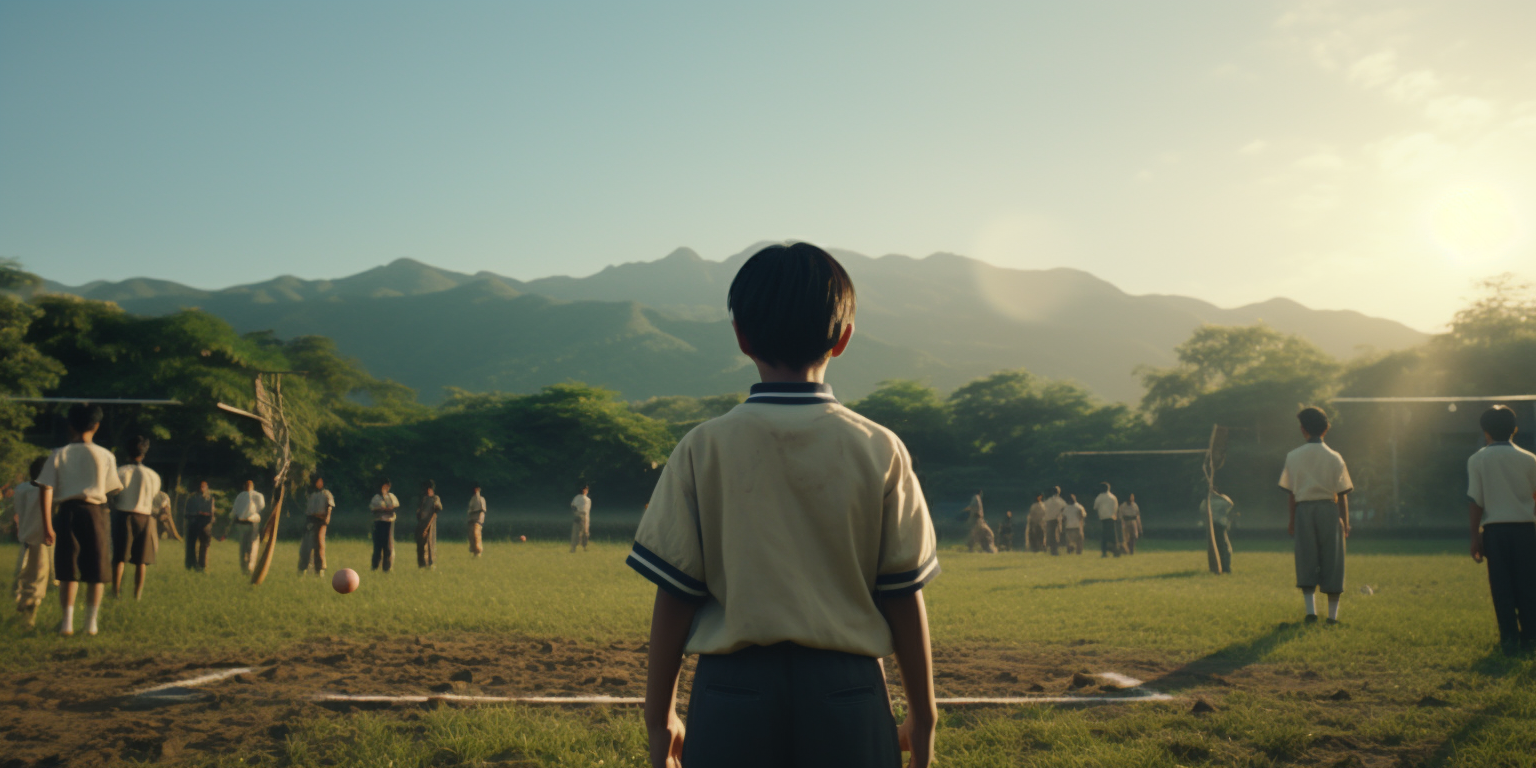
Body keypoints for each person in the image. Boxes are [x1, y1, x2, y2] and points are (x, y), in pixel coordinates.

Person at [627, 242, 938, 768]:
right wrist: (924, 717)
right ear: (843, 339)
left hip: (731, 695)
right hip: (851, 694)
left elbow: (676, 595)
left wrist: (660, 719)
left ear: (741, 337)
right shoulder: (879, 447)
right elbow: (902, 596)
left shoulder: (703, 446)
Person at [37, 403, 122, 636]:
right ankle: (91, 624)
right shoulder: (105, 455)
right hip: (96, 512)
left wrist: (47, 524)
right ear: (96, 425)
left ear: (70, 425)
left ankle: (67, 623)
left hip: (66, 513)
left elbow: (45, 489)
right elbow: (112, 488)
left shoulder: (58, 454)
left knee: (68, 568)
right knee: (97, 568)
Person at [1466, 405, 1536, 656]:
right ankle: (1531, 637)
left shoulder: (1477, 460)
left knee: (1502, 586)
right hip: (1527, 531)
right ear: (1515, 429)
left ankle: (1508, 638)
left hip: (1495, 532)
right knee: (1528, 585)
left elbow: (1476, 501)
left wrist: (1475, 537)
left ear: (1485, 432)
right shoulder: (1530, 459)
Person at [1280, 406, 1353, 625]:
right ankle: (1332, 616)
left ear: (1303, 430)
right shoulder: (1335, 457)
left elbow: (1292, 493)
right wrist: (1345, 522)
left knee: (1306, 558)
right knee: (1333, 560)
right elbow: (1343, 493)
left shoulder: (1293, 456)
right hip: (1329, 509)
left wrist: (1292, 520)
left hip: (1303, 510)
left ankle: (1311, 612)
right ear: (1327, 428)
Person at [110, 436, 161, 600]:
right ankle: (137, 595)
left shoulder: (121, 471)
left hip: (124, 515)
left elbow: (114, 493)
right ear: (144, 453)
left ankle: (115, 592)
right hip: (145, 517)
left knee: (119, 558)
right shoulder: (153, 475)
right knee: (141, 560)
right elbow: (153, 496)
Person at [13, 457, 55, 629]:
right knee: (37, 579)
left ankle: (23, 608)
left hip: (25, 538)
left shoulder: (21, 489)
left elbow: (18, 512)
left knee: (27, 576)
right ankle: (28, 619)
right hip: (42, 540)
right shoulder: (48, 490)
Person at [227, 480, 265, 575]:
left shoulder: (255, 495)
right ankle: (246, 568)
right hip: (245, 523)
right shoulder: (241, 496)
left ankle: (248, 568)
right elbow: (235, 511)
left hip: (250, 523)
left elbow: (235, 511)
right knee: (246, 547)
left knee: (250, 546)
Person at [299, 476, 333, 577]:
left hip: (320, 521)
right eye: (318, 481)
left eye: (321, 481)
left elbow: (330, 506)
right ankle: (303, 568)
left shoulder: (326, 494)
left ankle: (320, 569)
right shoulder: (312, 494)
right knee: (306, 544)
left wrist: (327, 517)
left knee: (319, 544)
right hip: (310, 520)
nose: (319, 483)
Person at [183, 480, 216, 572]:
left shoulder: (210, 499)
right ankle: (190, 565)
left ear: (207, 488)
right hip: (193, 523)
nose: (201, 488)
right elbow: (187, 513)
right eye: (200, 486)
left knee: (204, 546)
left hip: (205, 525)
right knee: (191, 546)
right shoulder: (191, 498)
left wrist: (206, 517)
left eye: (204, 486)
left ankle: (202, 566)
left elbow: (211, 514)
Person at [1202, 489, 1235, 574]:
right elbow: (1230, 504)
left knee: (1218, 546)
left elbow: (1202, 509)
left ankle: (1219, 567)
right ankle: (1225, 568)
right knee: (1224, 547)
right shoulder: (1221, 500)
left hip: (1211, 526)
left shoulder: (1206, 501)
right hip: (1218, 525)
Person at [369, 479, 399, 572]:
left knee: (388, 546)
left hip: (389, 523)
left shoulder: (391, 496)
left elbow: (395, 506)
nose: (385, 488)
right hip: (379, 522)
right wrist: (382, 509)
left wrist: (387, 508)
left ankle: (387, 568)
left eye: (387, 487)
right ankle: (375, 567)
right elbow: (373, 508)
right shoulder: (376, 497)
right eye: (384, 486)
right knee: (377, 546)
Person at [415, 479, 442, 569]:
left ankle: (430, 564)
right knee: (421, 545)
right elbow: (419, 513)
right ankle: (421, 564)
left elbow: (438, 508)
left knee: (430, 544)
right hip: (421, 524)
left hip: (430, 524)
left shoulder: (435, 498)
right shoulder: (424, 499)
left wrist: (433, 498)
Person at [1093, 482, 1121, 558]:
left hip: (1103, 520)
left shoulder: (1099, 497)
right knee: (1113, 537)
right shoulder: (1113, 497)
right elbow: (1116, 508)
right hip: (1111, 519)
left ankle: (1104, 552)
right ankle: (1116, 551)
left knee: (1104, 537)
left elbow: (1095, 507)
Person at [1043, 487, 1067, 556]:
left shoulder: (1048, 501)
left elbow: (1044, 508)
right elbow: (1065, 508)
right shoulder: (1060, 501)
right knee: (1056, 536)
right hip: (1056, 520)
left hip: (1048, 520)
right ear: (1059, 492)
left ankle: (1052, 550)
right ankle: (1055, 551)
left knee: (1050, 535)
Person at [467, 483, 487, 557]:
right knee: (471, 536)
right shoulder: (472, 499)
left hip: (477, 520)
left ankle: (478, 552)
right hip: (471, 520)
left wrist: (480, 520)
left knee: (476, 535)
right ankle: (474, 551)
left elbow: (482, 510)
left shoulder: (481, 499)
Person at [569, 485, 591, 553]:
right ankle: (573, 548)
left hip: (585, 516)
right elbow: (573, 506)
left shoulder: (587, 499)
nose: (586, 491)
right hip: (580, 515)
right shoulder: (579, 498)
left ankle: (584, 547)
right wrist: (577, 513)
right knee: (577, 532)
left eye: (586, 489)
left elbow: (573, 506)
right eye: (585, 489)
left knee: (585, 532)